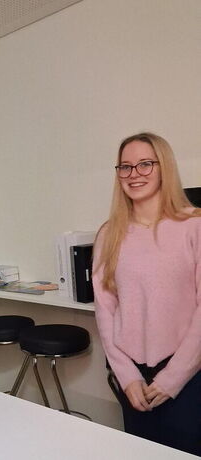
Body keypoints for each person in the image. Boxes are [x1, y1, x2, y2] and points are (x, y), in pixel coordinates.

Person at [92, 132, 201, 455]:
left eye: (145, 164)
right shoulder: (109, 234)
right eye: (125, 167)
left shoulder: (194, 227)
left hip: (187, 376)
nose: (134, 174)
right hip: (134, 380)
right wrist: (126, 376)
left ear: (164, 167)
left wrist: (173, 378)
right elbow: (105, 311)